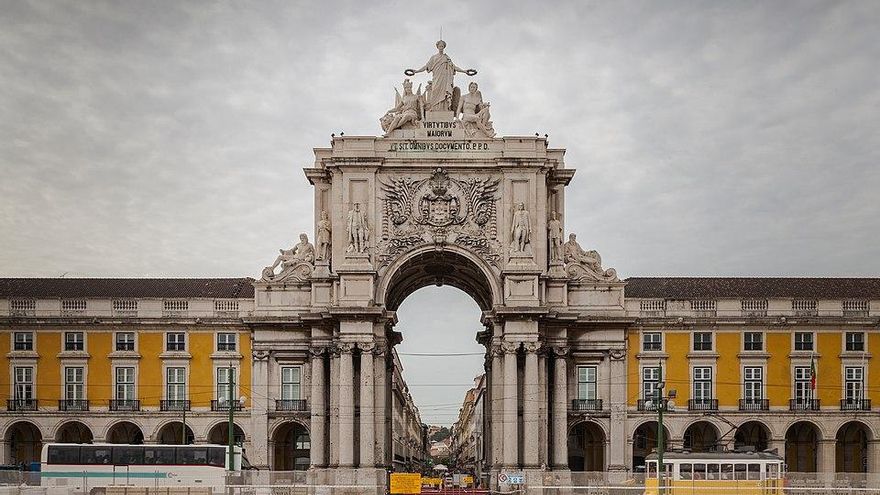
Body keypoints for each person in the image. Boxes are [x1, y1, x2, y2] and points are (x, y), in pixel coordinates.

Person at [406, 40, 476, 112]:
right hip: (437, 78)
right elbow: (426, 67)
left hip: (445, 79)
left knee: (445, 93)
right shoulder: (434, 57)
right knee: (434, 91)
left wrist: (464, 71)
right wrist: (416, 71)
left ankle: (445, 109)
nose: (441, 47)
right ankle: (434, 108)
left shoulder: (447, 58)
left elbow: (454, 67)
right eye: (440, 46)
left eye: (442, 46)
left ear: (444, 47)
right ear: (437, 47)